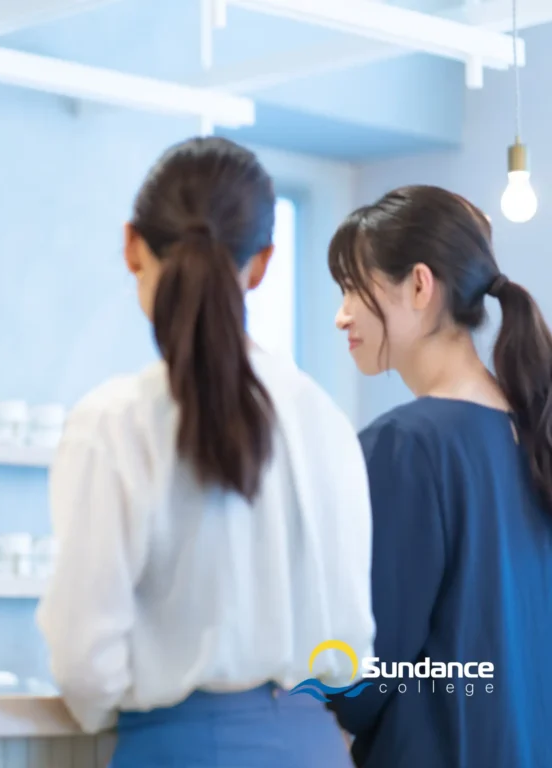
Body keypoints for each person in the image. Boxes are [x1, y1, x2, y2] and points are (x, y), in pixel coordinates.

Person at [35, 136, 374, 767]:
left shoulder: (115, 421)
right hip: (315, 746)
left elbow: (84, 662)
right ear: (263, 262)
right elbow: (353, 639)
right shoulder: (324, 419)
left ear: (133, 246)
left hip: (182, 746)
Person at [326, 185, 552, 766]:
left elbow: (362, 681)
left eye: (354, 287)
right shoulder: (531, 432)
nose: (341, 314)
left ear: (420, 286)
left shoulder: (406, 445)